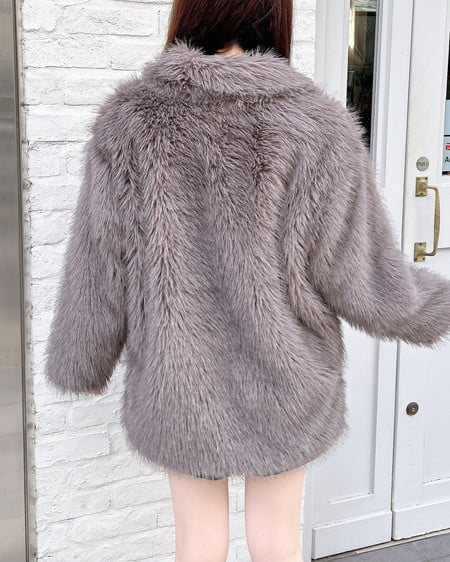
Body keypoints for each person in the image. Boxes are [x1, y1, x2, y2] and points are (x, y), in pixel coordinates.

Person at [43, 0, 450, 560]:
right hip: (288, 377)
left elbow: (100, 258)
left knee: (197, 542)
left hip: (179, 380)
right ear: (274, 14)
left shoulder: (133, 120)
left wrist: (84, 361)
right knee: (277, 541)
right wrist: (435, 307)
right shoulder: (317, 125)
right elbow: (361, 275)